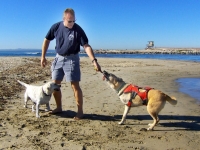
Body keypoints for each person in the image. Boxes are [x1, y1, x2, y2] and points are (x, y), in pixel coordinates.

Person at [40, 8, 101, 120]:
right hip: (58, 58)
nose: (72, 23)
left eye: (74, 20)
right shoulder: (56, 27)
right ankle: (59, 107)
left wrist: (94, 60)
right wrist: (43, 56)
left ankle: (80, 111)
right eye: (69, 21)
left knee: (75, 86)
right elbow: (46, 40)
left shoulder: (78, 30)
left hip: (72, 59)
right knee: (55, 85)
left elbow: (86, 46)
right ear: (64, 19)